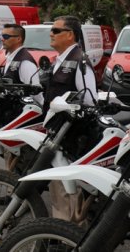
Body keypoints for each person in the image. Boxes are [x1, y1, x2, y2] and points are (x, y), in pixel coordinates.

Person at [45, 16, 97, 222]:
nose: (51, 33)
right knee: (57, 189)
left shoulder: (79, 61)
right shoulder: (60, 60)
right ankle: (59, 231)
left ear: (70, 35)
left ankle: (66, 236)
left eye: (56, 30)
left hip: (71, 138)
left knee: (66, 190)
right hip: (57, 133)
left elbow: (90, 102)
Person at [1, 24, 42, 104]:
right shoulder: (11, 57)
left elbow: (36, 93)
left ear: (18, 39)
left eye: (6, 36)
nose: (2, 39)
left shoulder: (25, 62)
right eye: (2, 36)